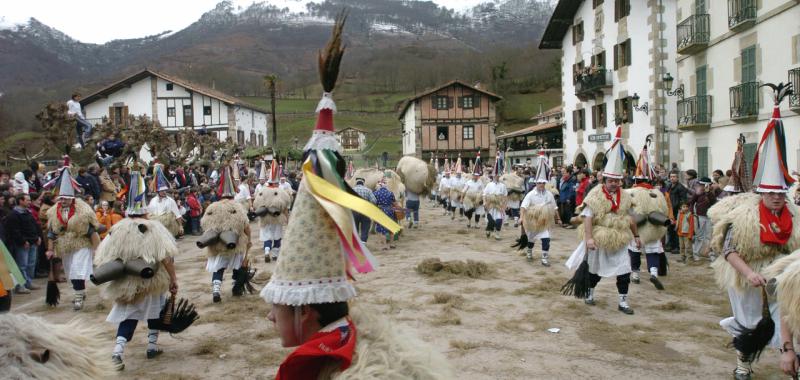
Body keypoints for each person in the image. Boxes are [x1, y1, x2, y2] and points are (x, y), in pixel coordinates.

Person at [710, 95, 800, 379]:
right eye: (771, 193)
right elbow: (729, 250)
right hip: (749, 276)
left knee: (787, 318)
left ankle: (787, 355)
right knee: (749, 322)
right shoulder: (744, 217)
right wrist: (749, 274)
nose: (776, 198)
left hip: (782, 277)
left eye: (780, 193)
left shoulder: (794, 217)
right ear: (762, 193)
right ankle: (743, 362)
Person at [95, 169, 179, 370]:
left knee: (128, 316)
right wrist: (173, 280)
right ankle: (150, 347)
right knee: (154, 312)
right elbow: (165, 257)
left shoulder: (118, 229)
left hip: (127, 283)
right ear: (144, 210)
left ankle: (118, 351)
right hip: (152, 280)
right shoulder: (154, 227)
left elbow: (104, 257)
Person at [566, 127, 640, 314]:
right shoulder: (595, 195)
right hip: (600, 238)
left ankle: (623, 302)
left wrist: (636, 235)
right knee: (596, 270)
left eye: (616, 181)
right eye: (610, 181)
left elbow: (630, 217)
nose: (613, 184)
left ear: (620, 181)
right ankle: (590, 291)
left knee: (624, 270)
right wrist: (589, 238)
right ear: (605, 180)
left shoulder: (625, 196)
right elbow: (588, 217)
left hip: (619, 239)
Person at [45, 161, 101, 311]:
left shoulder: (82, 211)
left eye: (65, 198)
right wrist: (50, 249)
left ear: (72, 198)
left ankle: (78, 297)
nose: (62, 201)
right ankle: (80, 292)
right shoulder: (53, 212)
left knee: (78, 268)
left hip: (81, 242)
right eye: (61, 198)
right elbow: (51, 231)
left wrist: (98, 250)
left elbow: (91, 231)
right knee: (71, 271)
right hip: (65, 244)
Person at [200, 166, 251, 303]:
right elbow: (246, 226)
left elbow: (205, 225)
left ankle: (216, 290)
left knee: (218, 268)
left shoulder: (212, 207)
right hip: (235, 244)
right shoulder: (237, 207)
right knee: (238, 266)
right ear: (233, 194)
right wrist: (249, 240)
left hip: (217, 245)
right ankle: (237, 288)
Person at [626, 143, 670, 290]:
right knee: (653, 251)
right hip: (654, 227)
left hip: (637, 227)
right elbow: (664, 210)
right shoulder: (658, 193)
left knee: (634, 251)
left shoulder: (631, 192)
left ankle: (636, 273)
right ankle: (654, 273)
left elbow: (626, 209)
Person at [520, 153, 560, 265]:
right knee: (531, 240)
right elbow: (523, 207)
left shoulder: (549, 194)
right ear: (536, 183)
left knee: (546, 239)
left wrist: (559, 219)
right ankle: (529, 251)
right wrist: (521, 218)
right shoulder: (530, 194)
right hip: (533, 221)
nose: (541, 184)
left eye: (543, 183)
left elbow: (555, 207)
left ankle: (544, 258)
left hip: (544, 222)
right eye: (539, 183)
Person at [254, 159, 290, 263]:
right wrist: (287, 219)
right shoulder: (281, 192)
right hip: (277, 218)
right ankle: (275, 255)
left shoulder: (262, 191)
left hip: (265, 218)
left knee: (267, 236)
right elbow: (285, 207)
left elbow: (256, 204)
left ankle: (266, 251)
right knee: (277, 237)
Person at [5, 193, 41, 294]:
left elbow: (34, 225)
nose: (29, 202)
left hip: (32, 241)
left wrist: (37, 237)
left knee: (31, 264)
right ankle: (20, 285)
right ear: (21, 201)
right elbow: (15, 231)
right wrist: (23, 241)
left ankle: (28, 282)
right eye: (27, 200)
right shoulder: (14, 215)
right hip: (23, 244)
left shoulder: (28, 212)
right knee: (22, 265)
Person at [147, 165, 183, 238]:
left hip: (168, 228)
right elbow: (149, 213)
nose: (164, 192)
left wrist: (180, 226)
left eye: (165, 190)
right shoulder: (153, 201)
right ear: (158, 191)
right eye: (162, 191)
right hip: (156, 228)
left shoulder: (170, 200)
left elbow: (177, 214)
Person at [688, 177, 716, 262]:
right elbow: (692, 202)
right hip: (700, 216)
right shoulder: (697, 193)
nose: (702, 186)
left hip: (710, 216)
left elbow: (713, 202)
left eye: (704, 184)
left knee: (709, 236)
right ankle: (696, 254)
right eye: (701, 184)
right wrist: (692, 212)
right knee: (699, 236)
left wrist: (708, 193)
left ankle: (711, 254)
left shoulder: (712, 193)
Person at [665, 170, 689, 252]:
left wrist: (681, 209)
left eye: (674, 177)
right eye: (671, 176)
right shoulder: (668, 186)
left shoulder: (681, 187)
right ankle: (670, 245)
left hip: (676, 211)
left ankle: (677, 247)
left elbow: (683, 200)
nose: (672, 178)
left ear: (677, 178)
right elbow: (665, 195)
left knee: (676, 228)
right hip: (669, 210)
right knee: (669, 228)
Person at [374, 176, 398, 250]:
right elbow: (395, 203)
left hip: (381, 211)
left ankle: (384, 246)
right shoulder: (390, 193)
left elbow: (374, 203)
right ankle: (392, 244)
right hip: (390, 211)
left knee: (382, 229)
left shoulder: (376, 193)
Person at [483, 172, 508, 240]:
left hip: (499, 204)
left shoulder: (503, 185)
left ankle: (497, 233)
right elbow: (484, 194)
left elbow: (505, 196)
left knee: (499, 220)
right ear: (493, 176)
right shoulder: (489, 184)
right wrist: (485, 203)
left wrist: (505, 205)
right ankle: (488, 229)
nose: (496, 177)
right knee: (491, 221)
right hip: (490, 204)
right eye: (495, 175)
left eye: (498, 176)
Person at [352, 177, 377, 243]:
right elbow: (374, 201)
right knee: (365, 228)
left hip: (354, 211)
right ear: (363, 183)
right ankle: (363, 242)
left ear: (356, 183)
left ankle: (356, 242)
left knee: (355, 227)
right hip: (365, 212)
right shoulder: (368, 190)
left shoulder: (351, 189)